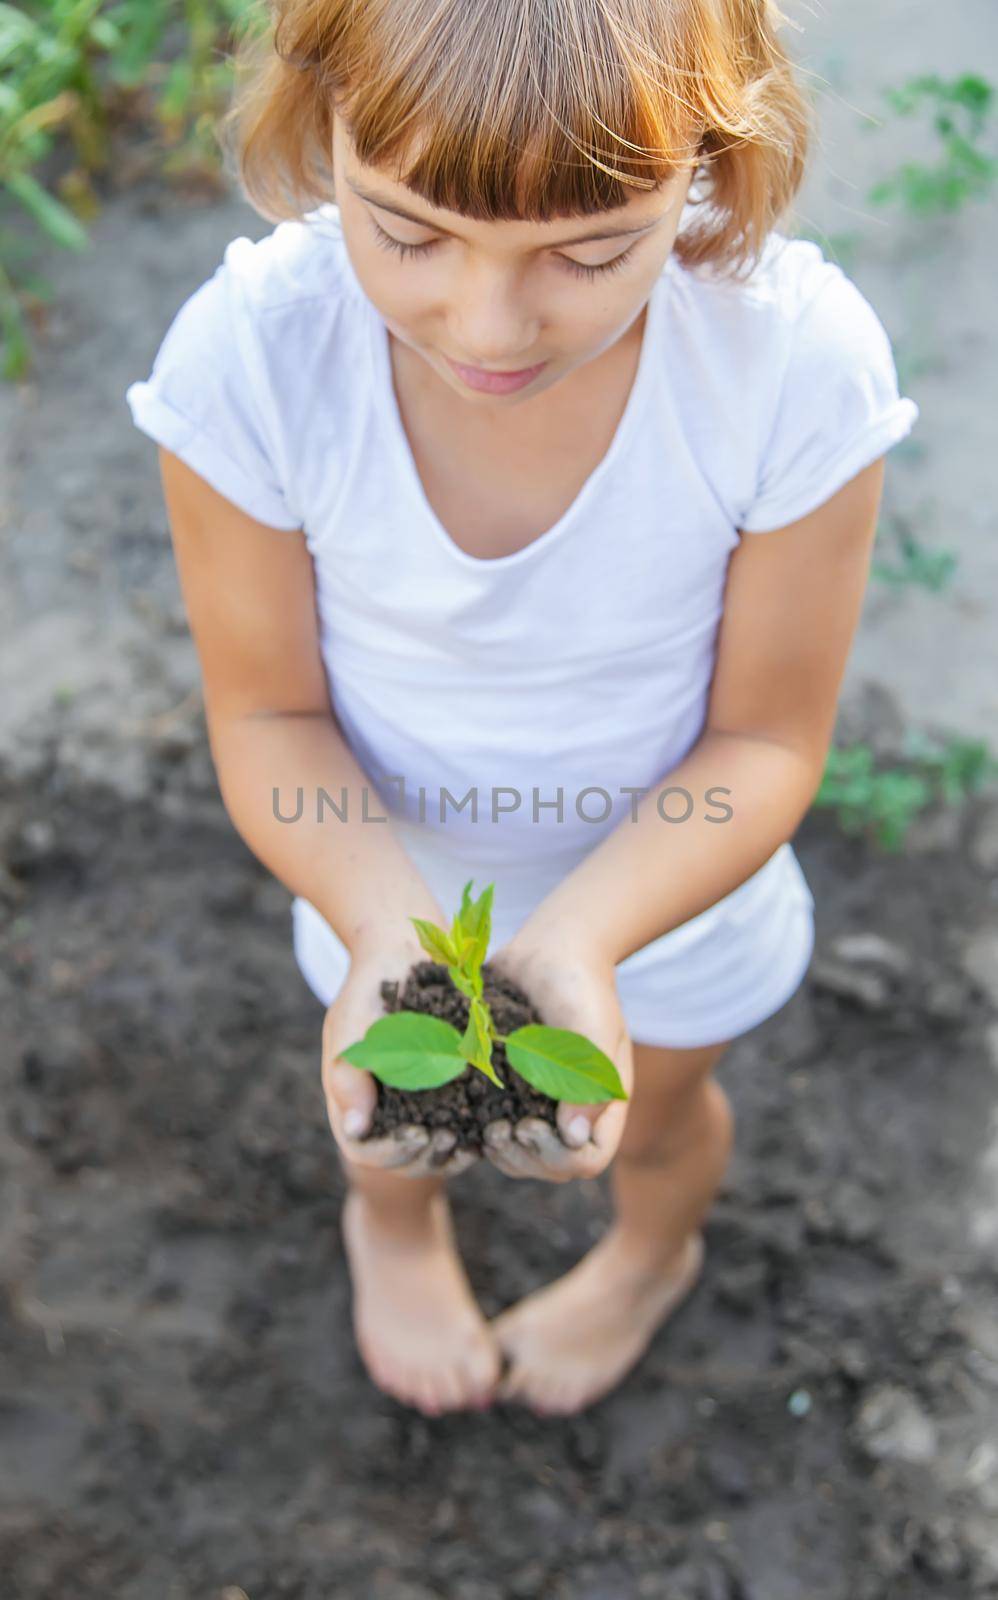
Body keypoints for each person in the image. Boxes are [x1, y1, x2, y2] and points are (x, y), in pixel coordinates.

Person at [125, 0, 919, 1419]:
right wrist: (382, 921)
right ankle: (391, 1227)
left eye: (590, 250)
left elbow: (765, 739)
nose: (483, 323)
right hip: (372, 865)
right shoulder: (254, 359)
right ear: (324, 132)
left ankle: (647, 1262)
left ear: (707, 163)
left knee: (656, 1115)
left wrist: (589, 937)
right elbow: (267, 719)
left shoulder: (784, 366)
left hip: (673, 887)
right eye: (408, 231)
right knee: (385, 1116)